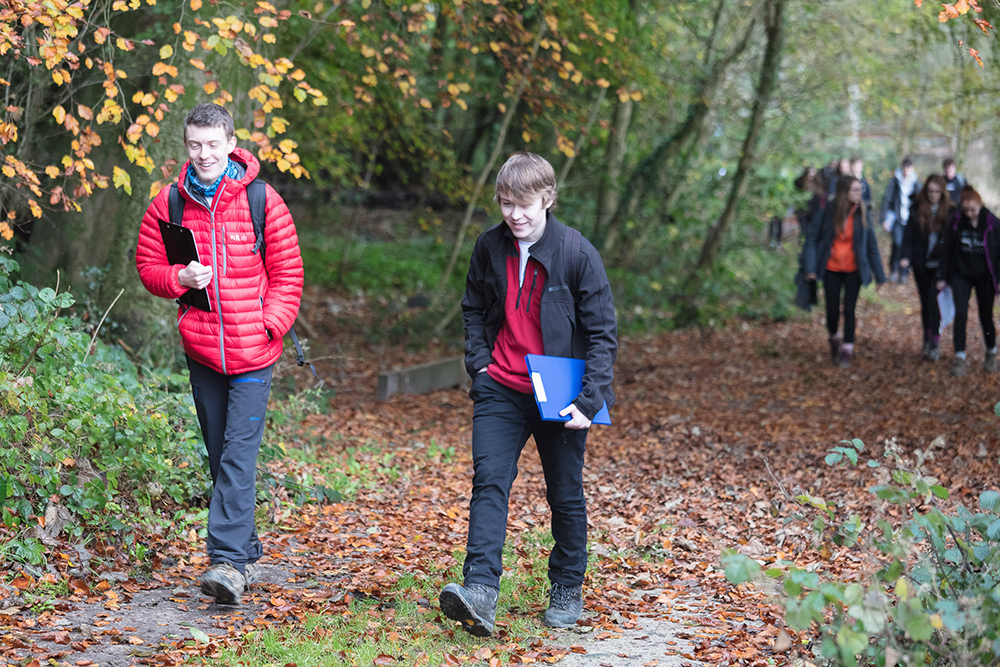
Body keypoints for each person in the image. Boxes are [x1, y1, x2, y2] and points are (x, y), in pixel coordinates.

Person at [440, 152, 617, 636]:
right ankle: (479, 591)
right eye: (505, 204)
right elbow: (473, 307)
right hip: (501, 385)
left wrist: (589, 399)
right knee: (489, 481)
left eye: (524, 205)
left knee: (564, 492)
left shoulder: (578, 254)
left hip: (561, 391)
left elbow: (604, 334)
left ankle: (566, 585)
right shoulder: (489, 247)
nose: (514, 215)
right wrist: (479, 365)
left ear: (548, 199)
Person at [135, 104, 303, 604]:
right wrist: (178, 279)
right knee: (219, 455)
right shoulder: (168, 203)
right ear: (186, 146)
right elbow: (148, 267)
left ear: (231, 143)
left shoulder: (262, 200)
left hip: (255, 351)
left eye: (212, 144)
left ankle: (226, 564)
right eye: (194, 145)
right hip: (202, 349)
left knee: (237, 455)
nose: (203, 154)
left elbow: (289, 274)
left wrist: (268, 326)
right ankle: (245, 552)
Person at [805, 176, 886, 367]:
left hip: (854, 269)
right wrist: (810, 267)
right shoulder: (829, 212)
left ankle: (848, 349)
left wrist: (880, 275)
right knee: (832, 311)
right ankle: (834, 337)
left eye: (861, 190)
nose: (860, 194)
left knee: (849, 309)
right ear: (844, 193)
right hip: (831, 267)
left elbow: (872, 246)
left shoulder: (862, 213)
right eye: (856, 190)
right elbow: (812, 238)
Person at [937, 186, 1000, 377]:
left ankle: (991, 352)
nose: (969, 213)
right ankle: (960, 356)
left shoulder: (992, 224)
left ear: (980, 205)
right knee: (961, 314)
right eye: (966, 210)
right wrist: (942, 276)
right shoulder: (956, 222)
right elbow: (946, 249)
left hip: (985, 277)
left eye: (972, 209)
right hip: (961, 274)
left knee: (986, 315)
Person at [900, 175, 953, 361]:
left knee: (934, 302)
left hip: (940, 265)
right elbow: (908, 235)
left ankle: (934, 342)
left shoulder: (950, 212)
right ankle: (927, 337)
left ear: (942, 192)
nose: (933, 195)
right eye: (930, 191)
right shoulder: (916, 210)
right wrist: (905, 256)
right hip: (921, 262)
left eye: (937, 192)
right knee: (925, 302)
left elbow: (952, 241)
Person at [880, 157, 921, 283]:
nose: (906, 171)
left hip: (910, 221)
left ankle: (904, 273)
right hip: (897, 219)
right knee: (897, 244)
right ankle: (894, 269)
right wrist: (884, 219)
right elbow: (887, 199)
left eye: (908, 169)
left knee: (908, 247)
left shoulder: (916, 184)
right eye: (904, 169)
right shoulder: (895, 182)